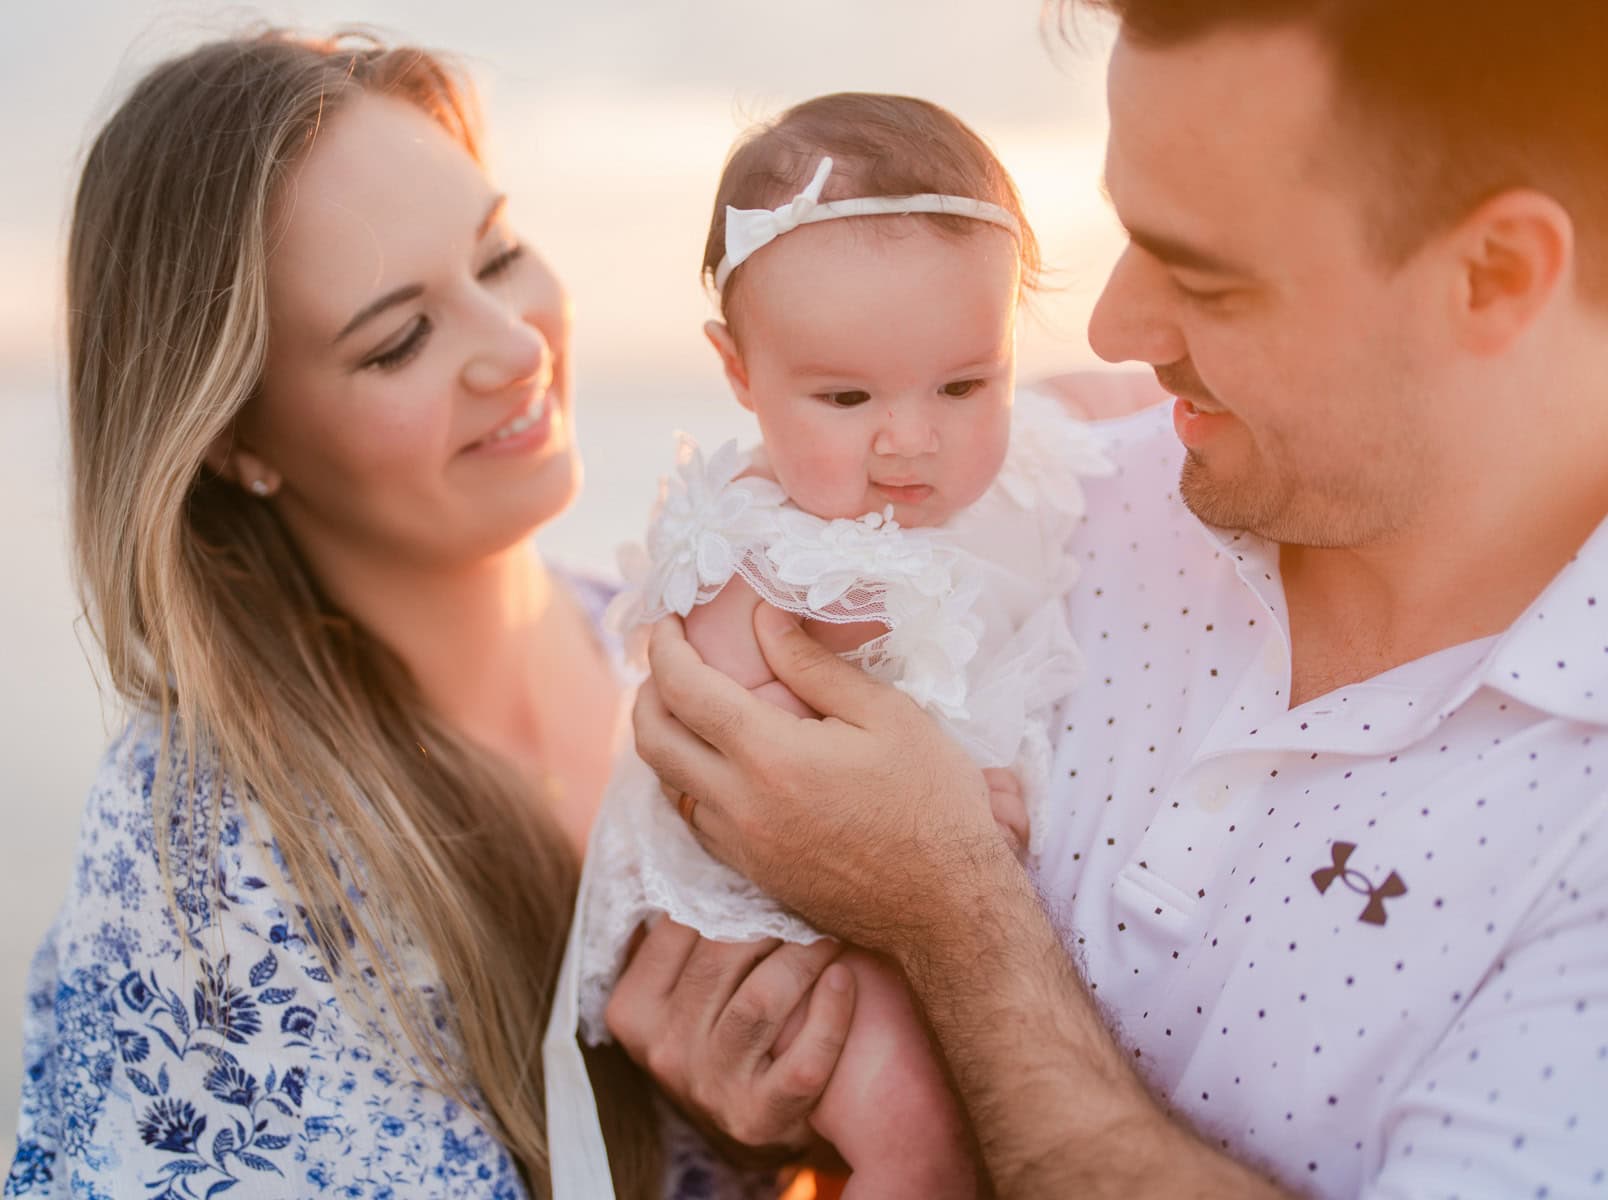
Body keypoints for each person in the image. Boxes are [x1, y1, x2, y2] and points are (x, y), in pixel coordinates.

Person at [614, 1, 1608, 1196]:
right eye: (1129, 235)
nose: (1112, 326)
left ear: (1493, 276)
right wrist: (778, 1099)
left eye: (1209, 279)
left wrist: (952, 917)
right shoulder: (1052, 480)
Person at [3, 31, 846, 1199]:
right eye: (398, 338)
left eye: (498, 258)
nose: (513, 348)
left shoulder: (680, 651)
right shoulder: (208, 863)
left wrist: (797, 1137)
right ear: (236, 438)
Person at [546, 95, 1110, 1198]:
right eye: (846, 396)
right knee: (918, 1132)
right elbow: (756, 766)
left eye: (965, 382)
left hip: (906, 901)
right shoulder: (761, 556)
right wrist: (943, 796)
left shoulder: (1023, 474)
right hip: (787, 926)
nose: (911, 437)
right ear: (740, 375)